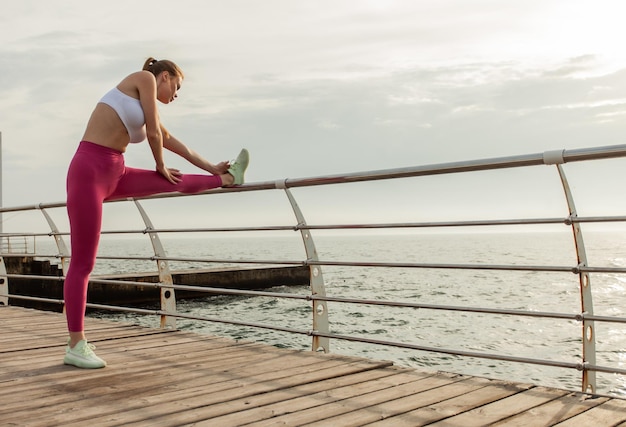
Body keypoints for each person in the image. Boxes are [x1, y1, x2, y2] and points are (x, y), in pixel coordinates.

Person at [63, 57, 249, 369]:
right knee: (83, 263)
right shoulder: (143, 78)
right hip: (88, 171)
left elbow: (173, 142)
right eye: (177, 86)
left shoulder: (146, 100)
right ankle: (75, 344)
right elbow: (152, 134)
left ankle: (228, 177)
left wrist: (211, 165)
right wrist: (159, 163)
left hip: (116, 171)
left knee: (172, 182)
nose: (176, 94)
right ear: (165, 76)